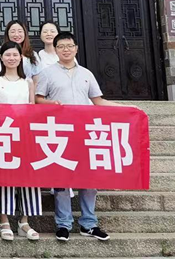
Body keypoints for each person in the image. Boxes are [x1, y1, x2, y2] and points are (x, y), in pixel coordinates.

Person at [35, 31, 130, 242]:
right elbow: (38, 99)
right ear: (55, 50)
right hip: (59, 133)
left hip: (85, 133)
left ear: (76, 49)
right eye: (61, 46)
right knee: (61, 179)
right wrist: (51, 104)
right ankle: (63, 224)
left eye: (69, 46)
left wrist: (125, 108)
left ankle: (89, 223)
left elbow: (98, 101)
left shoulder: (86, 73)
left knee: (89, 178)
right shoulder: (47, 73)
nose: (66, 50)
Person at [0, 41, 40, 242]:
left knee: (28, 177)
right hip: (3, 134)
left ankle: (24, 221)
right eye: (7, 55)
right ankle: (4, 220)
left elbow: (32, 107)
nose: (11, 58)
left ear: (20, 58)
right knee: (5, 177)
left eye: (15, 55)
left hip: (25, 134)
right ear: (1, 57)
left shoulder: (28, 82)